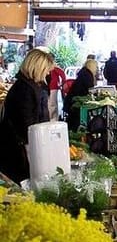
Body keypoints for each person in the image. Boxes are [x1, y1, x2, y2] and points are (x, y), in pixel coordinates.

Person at [0, 48, 55, 183]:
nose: (48, 72)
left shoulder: (31, 86)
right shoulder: (25, 90)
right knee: (21, 186)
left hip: (21, 147)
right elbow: (27, 125)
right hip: (17, 150)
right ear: (38, 67)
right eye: (46, 69)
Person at [63, 59, 98, 132]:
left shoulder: (84, 72)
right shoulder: (87, 75)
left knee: (72, 122)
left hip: (72, 101)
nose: (97, 69)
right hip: (75, 103)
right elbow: (89, 89)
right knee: (74, 124)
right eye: (96, 67)